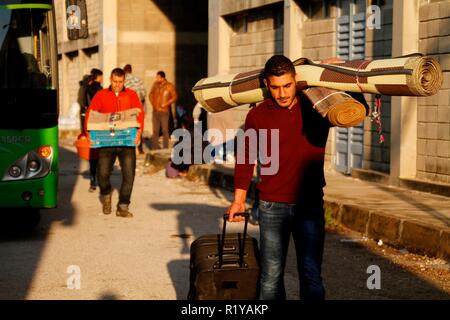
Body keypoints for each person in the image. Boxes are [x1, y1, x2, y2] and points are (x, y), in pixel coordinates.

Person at [226, 55, 331, 300]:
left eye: (287, 85)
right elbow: (246, 158)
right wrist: (239, 200)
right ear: (266, 84)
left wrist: (340, 77)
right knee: (271, 276)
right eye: (275, 87)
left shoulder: (317, 108)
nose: (282, 93)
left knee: (311, 274)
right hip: (271, 205)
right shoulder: (257, 116)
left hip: (310, 204)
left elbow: (359, 111)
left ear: (296, 81)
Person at [84, 68, 144, 218]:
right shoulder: (101, 95)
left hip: (126, 141)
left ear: (124, 81)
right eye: (115, 81)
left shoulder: (131, 94)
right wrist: (88, 133)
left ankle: (123, 206)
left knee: (129, 175)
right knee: (102, 174)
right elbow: (91, 115)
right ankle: (106, 194)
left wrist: (139, 133)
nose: (117, 84)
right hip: (107, 141)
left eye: (120, 82)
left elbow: (139, 113)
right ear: (110, 80)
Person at [84, 68, 103, 192]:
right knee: (102, 152)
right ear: (98, 76)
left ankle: (92, 181)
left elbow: (85, 103)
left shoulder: (87, 87)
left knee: (93, 153)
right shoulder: (100, 89)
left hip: (90, 120)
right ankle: (101, 180)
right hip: (100, 121)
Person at [149, 71, 177, 149]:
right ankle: (154, 147)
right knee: (155, 131)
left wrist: (166, 103)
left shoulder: (169, 86)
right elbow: (150, 94)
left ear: (162, 78)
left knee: (165, 130)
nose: (156, 79)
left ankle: (165, 147)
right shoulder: (155, 85)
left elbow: (174, 97)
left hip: (164, 111)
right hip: (155, 111)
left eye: (158, 77)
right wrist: (153, 104)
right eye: (156, 77)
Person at [124, 64, 147, 154]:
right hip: (137, 106)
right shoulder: (137, 80)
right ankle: (139, 148)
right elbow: (143, 92)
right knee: (138, 126)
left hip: (127, 107)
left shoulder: (123, 81)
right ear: (131, 70)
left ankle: (129, 147)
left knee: (128, 126)